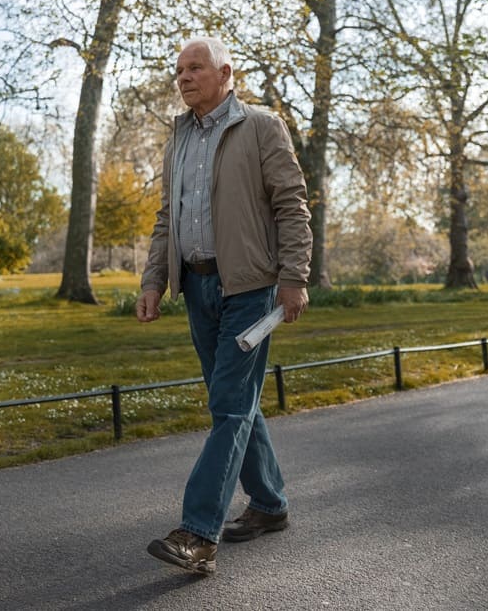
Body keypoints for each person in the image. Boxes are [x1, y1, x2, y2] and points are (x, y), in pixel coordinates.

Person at [136, 36, 313, 575]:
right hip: (198, 288)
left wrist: (294, 278)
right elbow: (169, 217)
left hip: (251, 290)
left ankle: (198, 533)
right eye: (179, 71)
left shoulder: (261, 127)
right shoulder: (178, 140)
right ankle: (269, 505)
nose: (185, 78)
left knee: (230, 406)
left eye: (196, 68)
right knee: (237, 403)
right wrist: (153, 281)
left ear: (225, 73)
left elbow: (291, 205)